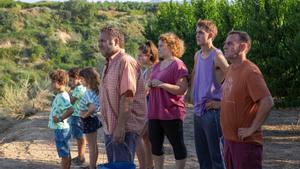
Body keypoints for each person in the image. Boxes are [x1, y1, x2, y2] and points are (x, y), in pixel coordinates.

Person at [221, 31, 274, 169]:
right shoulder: (230, 70)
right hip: (229, 141)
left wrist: (252, 129)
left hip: (246, 144)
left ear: (243, 47)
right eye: (225, 43)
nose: (225, 46)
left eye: (230, 43)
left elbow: (267, 102)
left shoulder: (250, 72)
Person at [98, 25, 147, 163]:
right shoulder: (109, 64)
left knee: (122, 165)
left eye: (103, 40)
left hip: (124, 128)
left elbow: (127, 97)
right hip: (111, 128)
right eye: (99, 41)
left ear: (116, 41)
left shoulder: (125, 62)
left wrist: (120, 128)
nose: (99, 44)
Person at [148, 32, 188, 169]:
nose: (158, 49)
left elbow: (182, 89)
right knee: (155, 145)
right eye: (158, 46)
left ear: (171, 46)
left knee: (177, 144)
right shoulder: (157, 65)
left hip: (171, 111)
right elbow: (152, 83)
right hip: (154, 112)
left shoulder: (178, 65)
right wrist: (150, 84)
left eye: (161, 46)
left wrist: (161, 84)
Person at [191, 19, 228, 169]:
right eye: (196, 32)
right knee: (203, 157)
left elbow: (233, 78)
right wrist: (192, 95)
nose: (197, 35)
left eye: (201, 32)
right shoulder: (197, 55)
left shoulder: (217, 55)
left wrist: (221, 103)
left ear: (211, 34)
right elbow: (195, 74)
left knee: (217, 158)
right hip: (198, 111)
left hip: (212, 112)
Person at [136, 40, 159, 169]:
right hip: (147, 106)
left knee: (137, 136)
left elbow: (145, 91)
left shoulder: (153, 69)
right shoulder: (147, 70)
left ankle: (143, 166)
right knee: (146, 138)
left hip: (150, 108)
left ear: (149, 55)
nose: (138, 58)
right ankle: (149, 165)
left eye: (141, 55)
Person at [48, 69, 74, 169]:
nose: (51, 84)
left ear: (60, 82)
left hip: (61, 129)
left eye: (52, 82)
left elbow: (70, 110)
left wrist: (59, 118)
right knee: (66, 151)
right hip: (61, 128)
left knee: (64, 154)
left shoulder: (62, 96)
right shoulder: (61, 94)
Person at [79, 67, 102, 169]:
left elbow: (92, 108)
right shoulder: (95, 90)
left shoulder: (88, 92)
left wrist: (85, 115)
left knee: (91, 146)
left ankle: (92, 167)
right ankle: (92, 165)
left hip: (89, 120)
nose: (80, 81)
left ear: (87, 79)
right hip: (92, 119)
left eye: (82, 79)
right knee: (93, 145)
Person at [68, 67, 87, 165]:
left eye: (72, 80)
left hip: (76, 116)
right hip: (79, 115)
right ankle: (80, 156)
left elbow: (70, 101)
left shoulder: (78, 89)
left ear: (79, 78)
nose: (70, 82)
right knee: (80, 138)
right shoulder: (82, 88)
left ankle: (81, 157)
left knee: (80, 138)